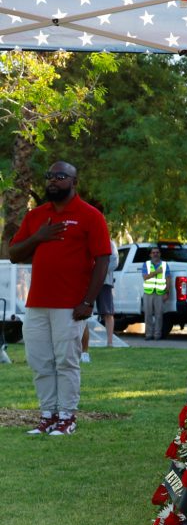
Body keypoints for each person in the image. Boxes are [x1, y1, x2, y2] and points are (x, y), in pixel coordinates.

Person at [11, 161, 112, 436]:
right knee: (39, 360)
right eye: (49, 176)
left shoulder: (90, 215)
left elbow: (103, 259)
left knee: (66, 361)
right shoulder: (36, 216)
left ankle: (67, 418)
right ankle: (48, 415)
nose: (53, 181)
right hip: (37, 303)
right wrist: (38, 237)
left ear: (74, 181)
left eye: (60, 176)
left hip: (70, 304)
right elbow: (13, 253)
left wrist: (88, 302)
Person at [81, 238, 118, 361]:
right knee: (84, 312)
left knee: (108, 312)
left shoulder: (110, 243)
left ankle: (110, 342)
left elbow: (114, 262)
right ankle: (83, 345)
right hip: (88, 282)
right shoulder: (87, 242)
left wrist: (99, 272)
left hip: (105, 282)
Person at [141, 246, 171, 340]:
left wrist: (167, 292)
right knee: (148, 315)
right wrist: (156, 272)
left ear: (160, 254)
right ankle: (148, 335)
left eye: (157, 252)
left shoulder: (165, 265)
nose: (155, 254)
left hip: (160, 293)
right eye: (153, 252)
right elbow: (145, 277)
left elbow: (168, 279)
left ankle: (157, 335)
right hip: (148, 293)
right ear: (150, 254)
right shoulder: (146, 264)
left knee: (159, 315)